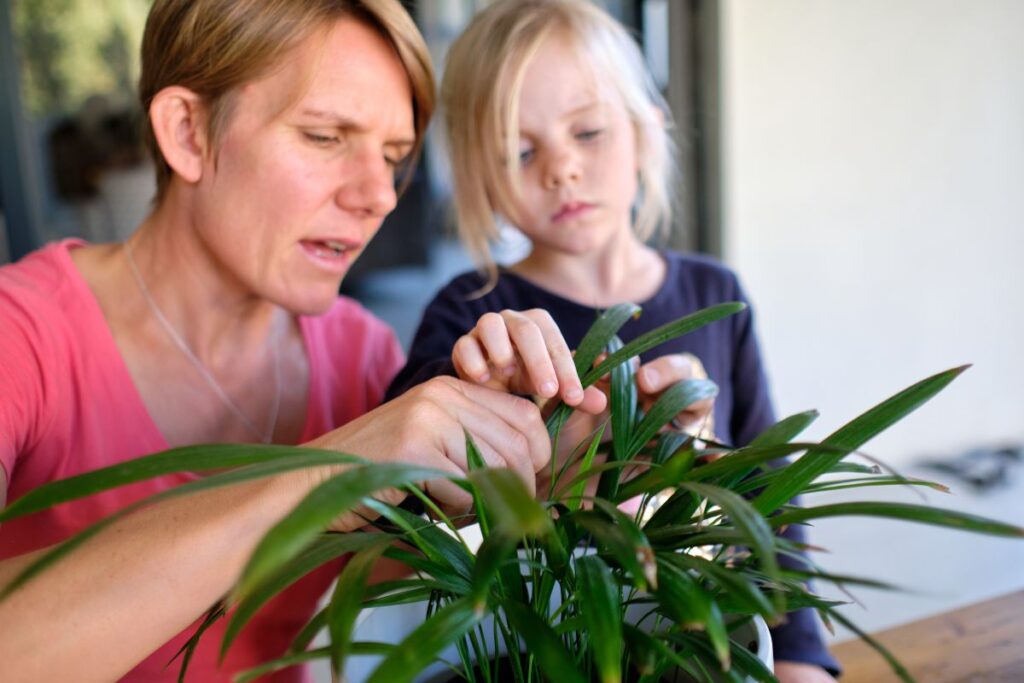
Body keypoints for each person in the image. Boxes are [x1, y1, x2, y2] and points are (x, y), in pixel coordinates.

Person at [0, 2, 605, 681]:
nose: (378, 194)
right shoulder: (21, 337)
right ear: (188, 133)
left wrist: (533, 472)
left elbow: (398, 627)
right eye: (324, 136)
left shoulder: (366, 359)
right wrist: (319, 475)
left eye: (394, 156)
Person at [386, 1, 840, 681]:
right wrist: (482, 406)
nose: (561, 169)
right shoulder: (471, 315)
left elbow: (772, 496)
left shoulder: (717, 298)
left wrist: (801, 650)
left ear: (646, 131)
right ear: (480, 175)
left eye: (589, 132)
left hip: (696, 642)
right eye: (520, 150)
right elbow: (403, 481)